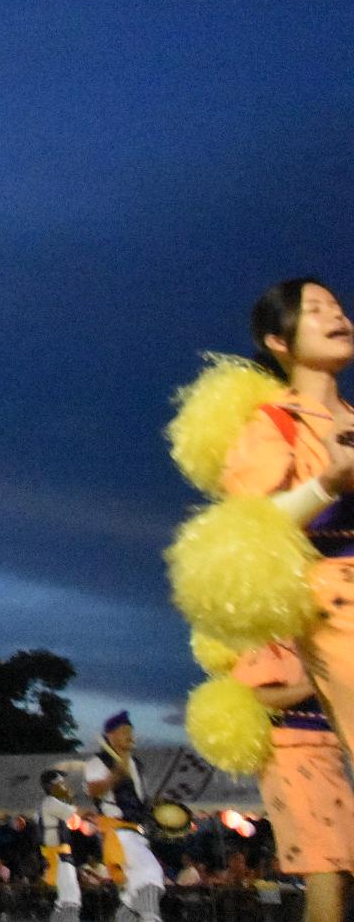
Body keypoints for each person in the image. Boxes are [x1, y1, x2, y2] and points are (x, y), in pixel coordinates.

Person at [218, 280, 354, 751]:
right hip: (335, 607)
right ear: (279, 341)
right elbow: (250, 525)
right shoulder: (274, 422)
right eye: (316, 309)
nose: (338, 317)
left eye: (338, 308)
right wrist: (327, 485)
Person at [230, 639, 354, 922]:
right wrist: (313, 682)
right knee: (328, 873)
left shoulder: (314, 644)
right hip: (293, 760)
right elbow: (252, 696)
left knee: (341, 877)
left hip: (329, 758)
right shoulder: (269, 642)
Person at [83, 713, 163, 922]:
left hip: (137, 833)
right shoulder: (98, 763)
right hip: (118, 833)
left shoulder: (137, 765)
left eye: (130, 731)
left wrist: (156, 807)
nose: (130, 735)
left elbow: (140, 801)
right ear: (110, 736)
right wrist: (115, 775)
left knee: (133, 890)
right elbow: (93, 790)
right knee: (150, 871)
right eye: (124, 732)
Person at [38, 771, 83, 922]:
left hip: (59, 855)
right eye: (60, 783)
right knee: (71, 897)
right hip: (59, 855)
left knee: (64, 899)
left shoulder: (51, 802)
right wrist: (68, 798)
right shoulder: (50, 802)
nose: (63, 786)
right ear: (51, 786)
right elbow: (73, 819)